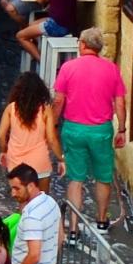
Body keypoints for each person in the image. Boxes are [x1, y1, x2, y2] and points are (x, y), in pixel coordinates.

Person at [52, 27, 127, 229]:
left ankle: (74, 227)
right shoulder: (111, 69)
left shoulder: (68, 68)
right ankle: (102, 220)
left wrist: (52, 124)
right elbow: (120, 103)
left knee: (76, 179)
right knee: (103, 177)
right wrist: (122, 129)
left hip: (74, 130)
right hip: (100, 131)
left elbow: (59, 101)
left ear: (82, 45)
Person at [0, 71, 60, 193]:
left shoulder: (11, 108)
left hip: (16, 164)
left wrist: (4, 150)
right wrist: (61, 158)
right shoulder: (45, 110)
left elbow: (0, 135)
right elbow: (52, 139)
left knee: (21, 201)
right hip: (40, 163)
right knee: (42, 201)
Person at [9, 164, 63, 264]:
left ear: (31, 186)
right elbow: (60, 237)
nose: (12, 193)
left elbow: (33, 256)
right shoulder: (51, 202)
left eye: (17, 188)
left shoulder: (32, 216)